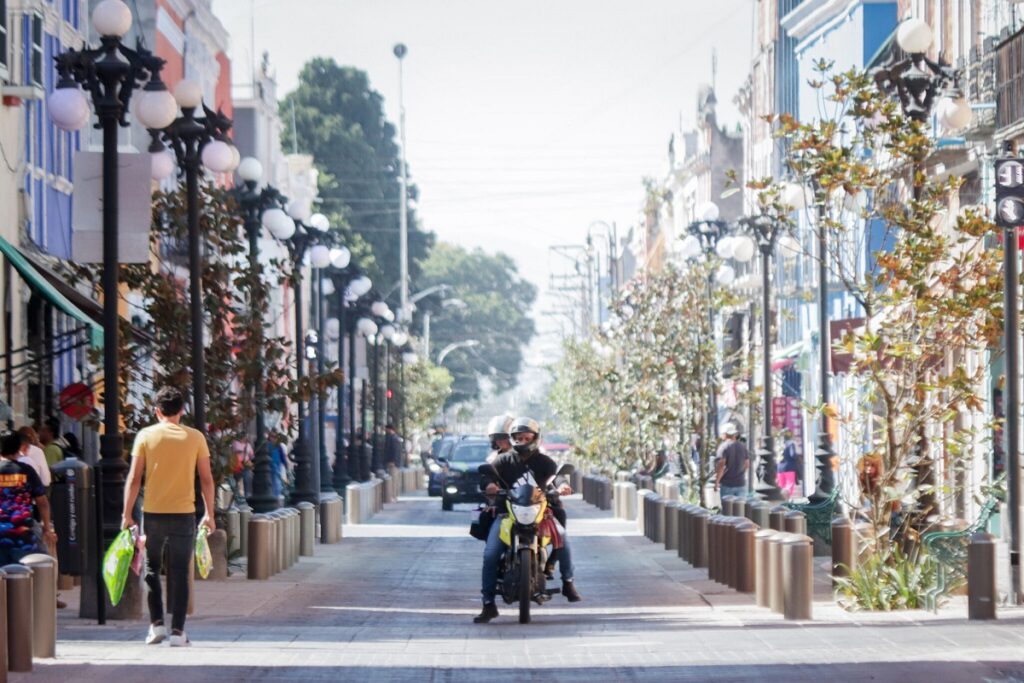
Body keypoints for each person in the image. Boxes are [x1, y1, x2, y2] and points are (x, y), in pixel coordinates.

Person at [122, 386, 215, 647]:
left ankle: (156, 626)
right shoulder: (195, 437)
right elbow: (206, 479)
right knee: (180, 571)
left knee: (151, 570)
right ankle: (178, 632)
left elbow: (134, 478)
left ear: (157, 411)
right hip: (184, 513)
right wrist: (209, 513)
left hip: (153, 513)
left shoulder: (145, 436)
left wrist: (126, 513)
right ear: (182, 411)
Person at [474, 417, 580, 624]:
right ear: (512, 439)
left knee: (563, 539)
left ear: (535, 438)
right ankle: (488, 603)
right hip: (508, 515)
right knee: (491, 554)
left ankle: (568, 581)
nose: (522, 441)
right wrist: (489, 486)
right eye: (518, 438)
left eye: (526, 437)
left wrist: (562, 486)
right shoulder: (503, 460)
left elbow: (556, 477)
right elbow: (488, 477)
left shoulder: (545, 462)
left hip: (540, 515)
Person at [0, 430, 56, 565]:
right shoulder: (27, 470)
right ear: (19, 447)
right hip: (22, 536)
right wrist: (47, 528)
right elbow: (42, 502)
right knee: (24, 577)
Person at [714, 422, 749, 501]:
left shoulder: (723, 447)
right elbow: (747, 464)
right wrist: (740, 473)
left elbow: (721, 465)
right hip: (741, 483)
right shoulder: (742, 446)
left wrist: (717, 482)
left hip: (727, 484)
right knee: (741, 509)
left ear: (725, 434)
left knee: (727, 510)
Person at [777, 430, 802, 497]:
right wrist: (799, 458)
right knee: (789, 484)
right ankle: (787, 500)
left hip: (779, 468)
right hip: (789, 467)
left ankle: (781, 499)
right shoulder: (791, 444)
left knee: (781, 485)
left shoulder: (780, 444)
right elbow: (792, 454)